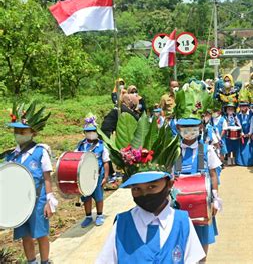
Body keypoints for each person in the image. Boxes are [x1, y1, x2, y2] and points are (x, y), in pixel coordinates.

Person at [96, 116, 205, 263]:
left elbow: (195, 259)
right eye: (137, 189)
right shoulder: (122, 224)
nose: (145, 194)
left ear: (169, 184)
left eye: (152, 187)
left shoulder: (182, 222)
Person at [173, 84, 222, 258]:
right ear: (178, 128)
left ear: (200, 127)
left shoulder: (206, 149)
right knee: (180, 243)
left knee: (202, 241)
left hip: (202, 203)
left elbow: (214, 174)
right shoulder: (174, 151)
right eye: (185, 128)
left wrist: (215, 198)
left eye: (193, 127)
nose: (189, 131)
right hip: (178, 205)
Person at [5, 102, 58, 264]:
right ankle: (31, 261)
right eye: (16, 131)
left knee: (41, 233)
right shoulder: (11, 156)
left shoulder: (40, 152)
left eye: (23, 131)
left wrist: (49, 200)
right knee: (25, 235)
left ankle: (45, 261)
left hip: (39, 199)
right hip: (20, 202)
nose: (19, 134)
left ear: (32, 133)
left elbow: (47, 177)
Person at [77, 114, 110, 227]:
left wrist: (105, 177)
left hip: (97, 175)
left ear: (96, 132)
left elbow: (106, 162)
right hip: (84, 176)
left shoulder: (101, 145)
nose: (90, 133)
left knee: (98, 196)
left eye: (92, 131)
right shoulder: (81, 145)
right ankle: (88, 216)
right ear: (84, 133)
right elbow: (75, 158)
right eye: (88, 131)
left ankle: (100, 215)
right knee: (86, 196)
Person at [236, 101, 253, 166]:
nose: (243, 108)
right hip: (242, 135)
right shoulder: (238, 115)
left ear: (247, 107)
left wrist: (249, 133)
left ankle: (250, 162)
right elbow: (239, 124)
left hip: (249, 134)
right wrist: (242, 133)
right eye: (241, 106)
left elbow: (252, 123)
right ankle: (240, 162)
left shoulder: (251, 114)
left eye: (245, 106)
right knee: (241, 147)